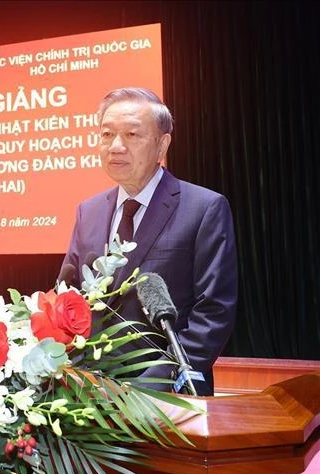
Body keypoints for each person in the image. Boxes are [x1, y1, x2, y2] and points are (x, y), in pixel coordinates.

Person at [60, 87, 237, 396]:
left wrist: (153, 384)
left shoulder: (204, 207)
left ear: (162, 144)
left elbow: (214, 311)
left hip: (168, 396)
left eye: (132, 135)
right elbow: (67, 298)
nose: (116, 147)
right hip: (91, 393)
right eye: (106, 135)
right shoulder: (88, 211)